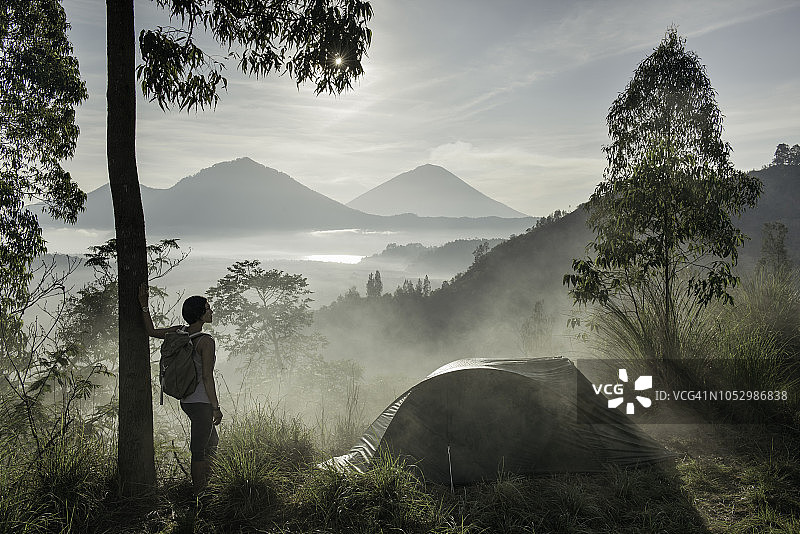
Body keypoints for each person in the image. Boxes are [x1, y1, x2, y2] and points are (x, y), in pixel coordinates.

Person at [138, 282, 222, 495]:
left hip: (186, 400)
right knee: (200, 450)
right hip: (201, 402)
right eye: (207, 308)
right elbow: (207, 377)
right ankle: (199, 494)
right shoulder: (206, 342)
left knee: (212, 443)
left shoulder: (180, 332)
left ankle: (208, 487)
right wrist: (215, 407)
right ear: (200, 315)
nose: (211, 311)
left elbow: (150, 331)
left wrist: (144, 305)